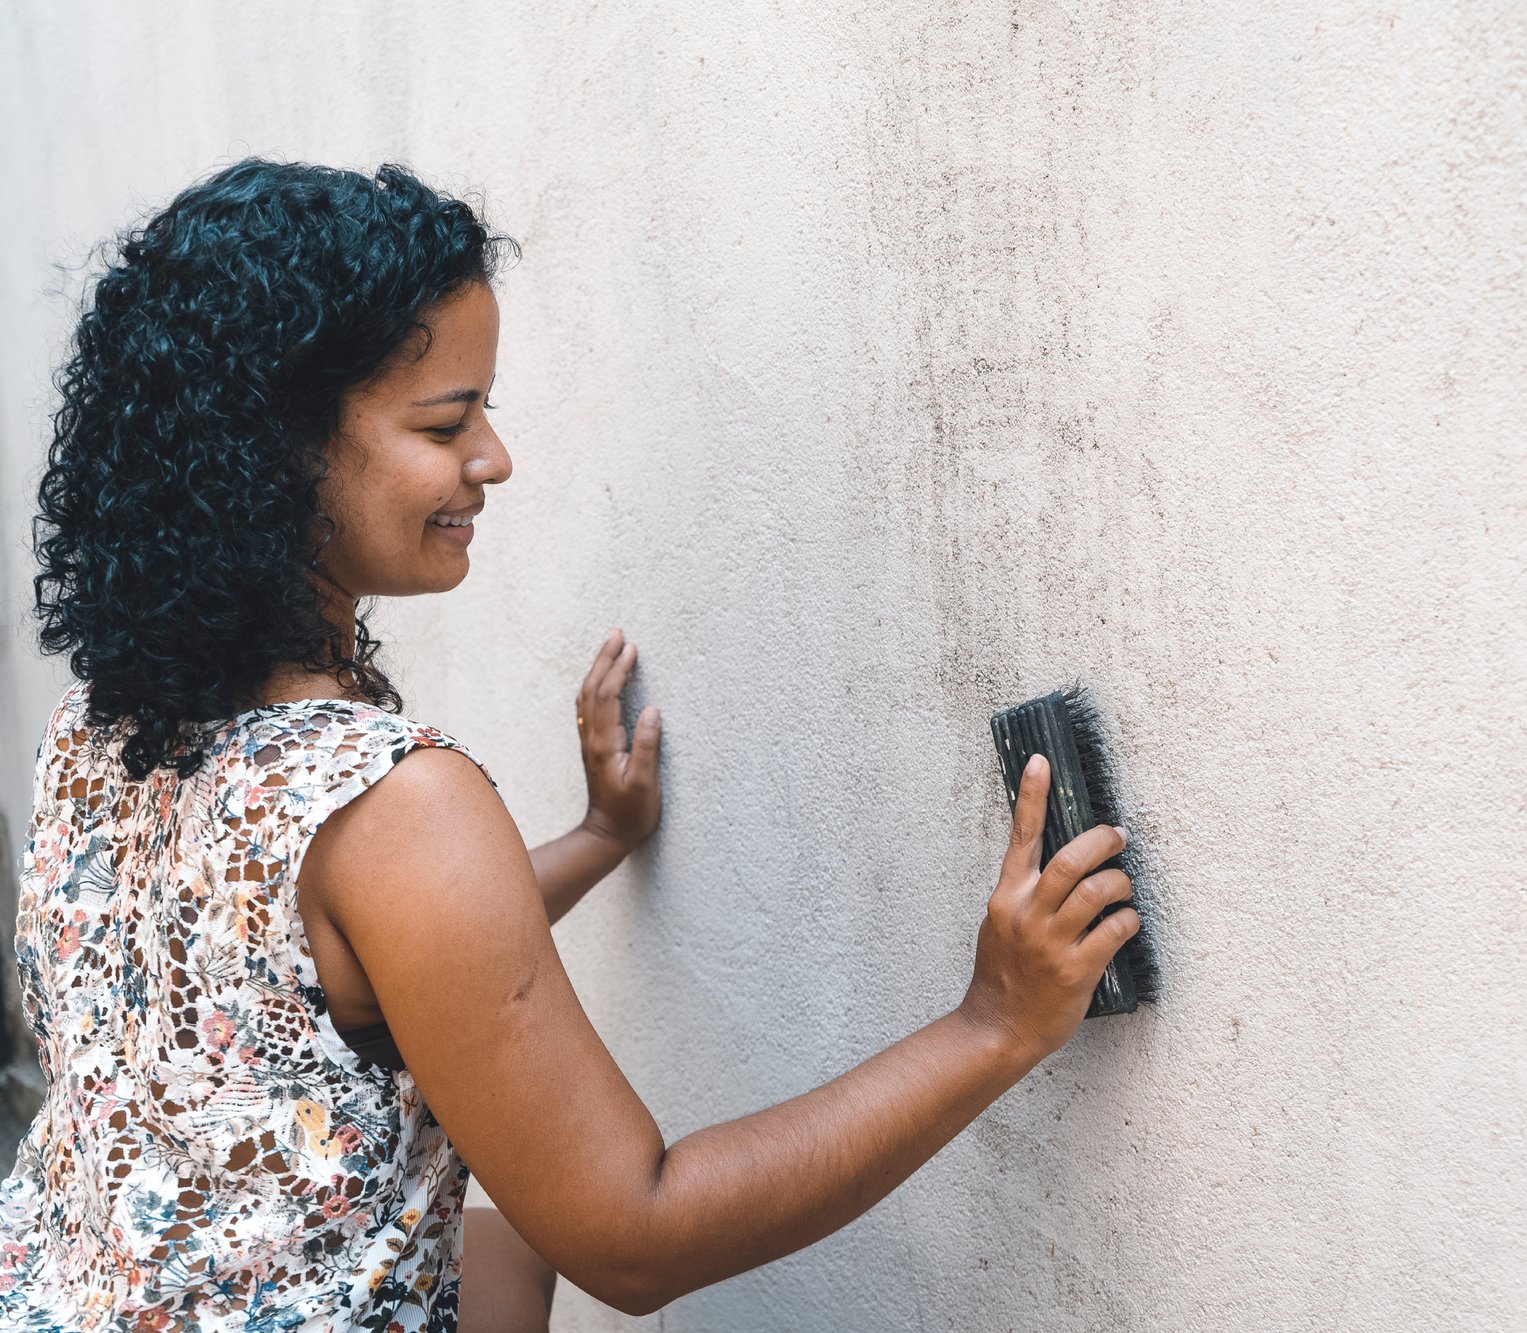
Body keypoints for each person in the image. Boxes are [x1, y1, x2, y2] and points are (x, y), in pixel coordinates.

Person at [9, 157, 1140, 1332]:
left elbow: (340, 971)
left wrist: (600, 837)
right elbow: (633, 1235)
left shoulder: (100, 733)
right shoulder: (393, 804)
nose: (493, 458)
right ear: (279, 451)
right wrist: (993, 1023)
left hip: (69, 1295)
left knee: (492, 1252)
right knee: (512, 1249)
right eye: (448, 420)